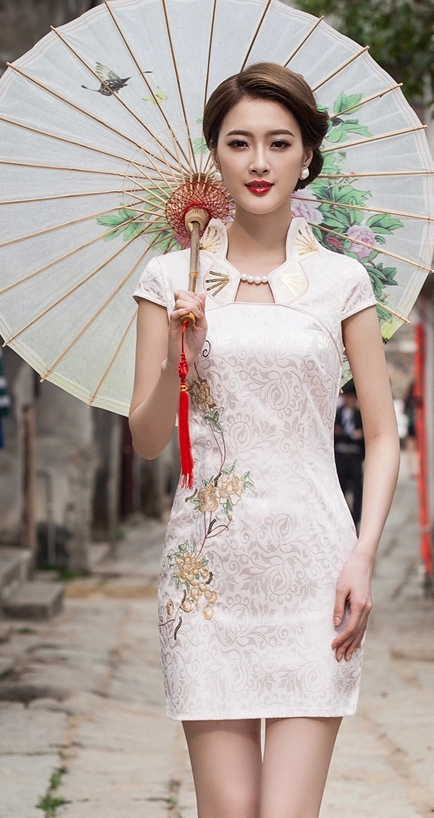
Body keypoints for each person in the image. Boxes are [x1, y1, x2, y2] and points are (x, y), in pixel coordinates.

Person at [129, 62, 399, 818]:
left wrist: (363, 555)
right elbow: (146, 439)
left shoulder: (343, 281)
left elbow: (383, 436)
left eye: (279, 142)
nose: (258, 161)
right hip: (207, 579)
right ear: (214, 153)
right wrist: (178, 360)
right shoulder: (168, 278)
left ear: (307, 154)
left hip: (315, 572)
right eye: (238, 142)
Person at [334, 380, 365, 526]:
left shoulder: (360, 416)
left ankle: (356, 518)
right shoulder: (337, 414)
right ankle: (343, 518)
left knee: (357, 489)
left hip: (354, 456)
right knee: (341, 489)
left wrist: (361, 435)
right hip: (340, 455)